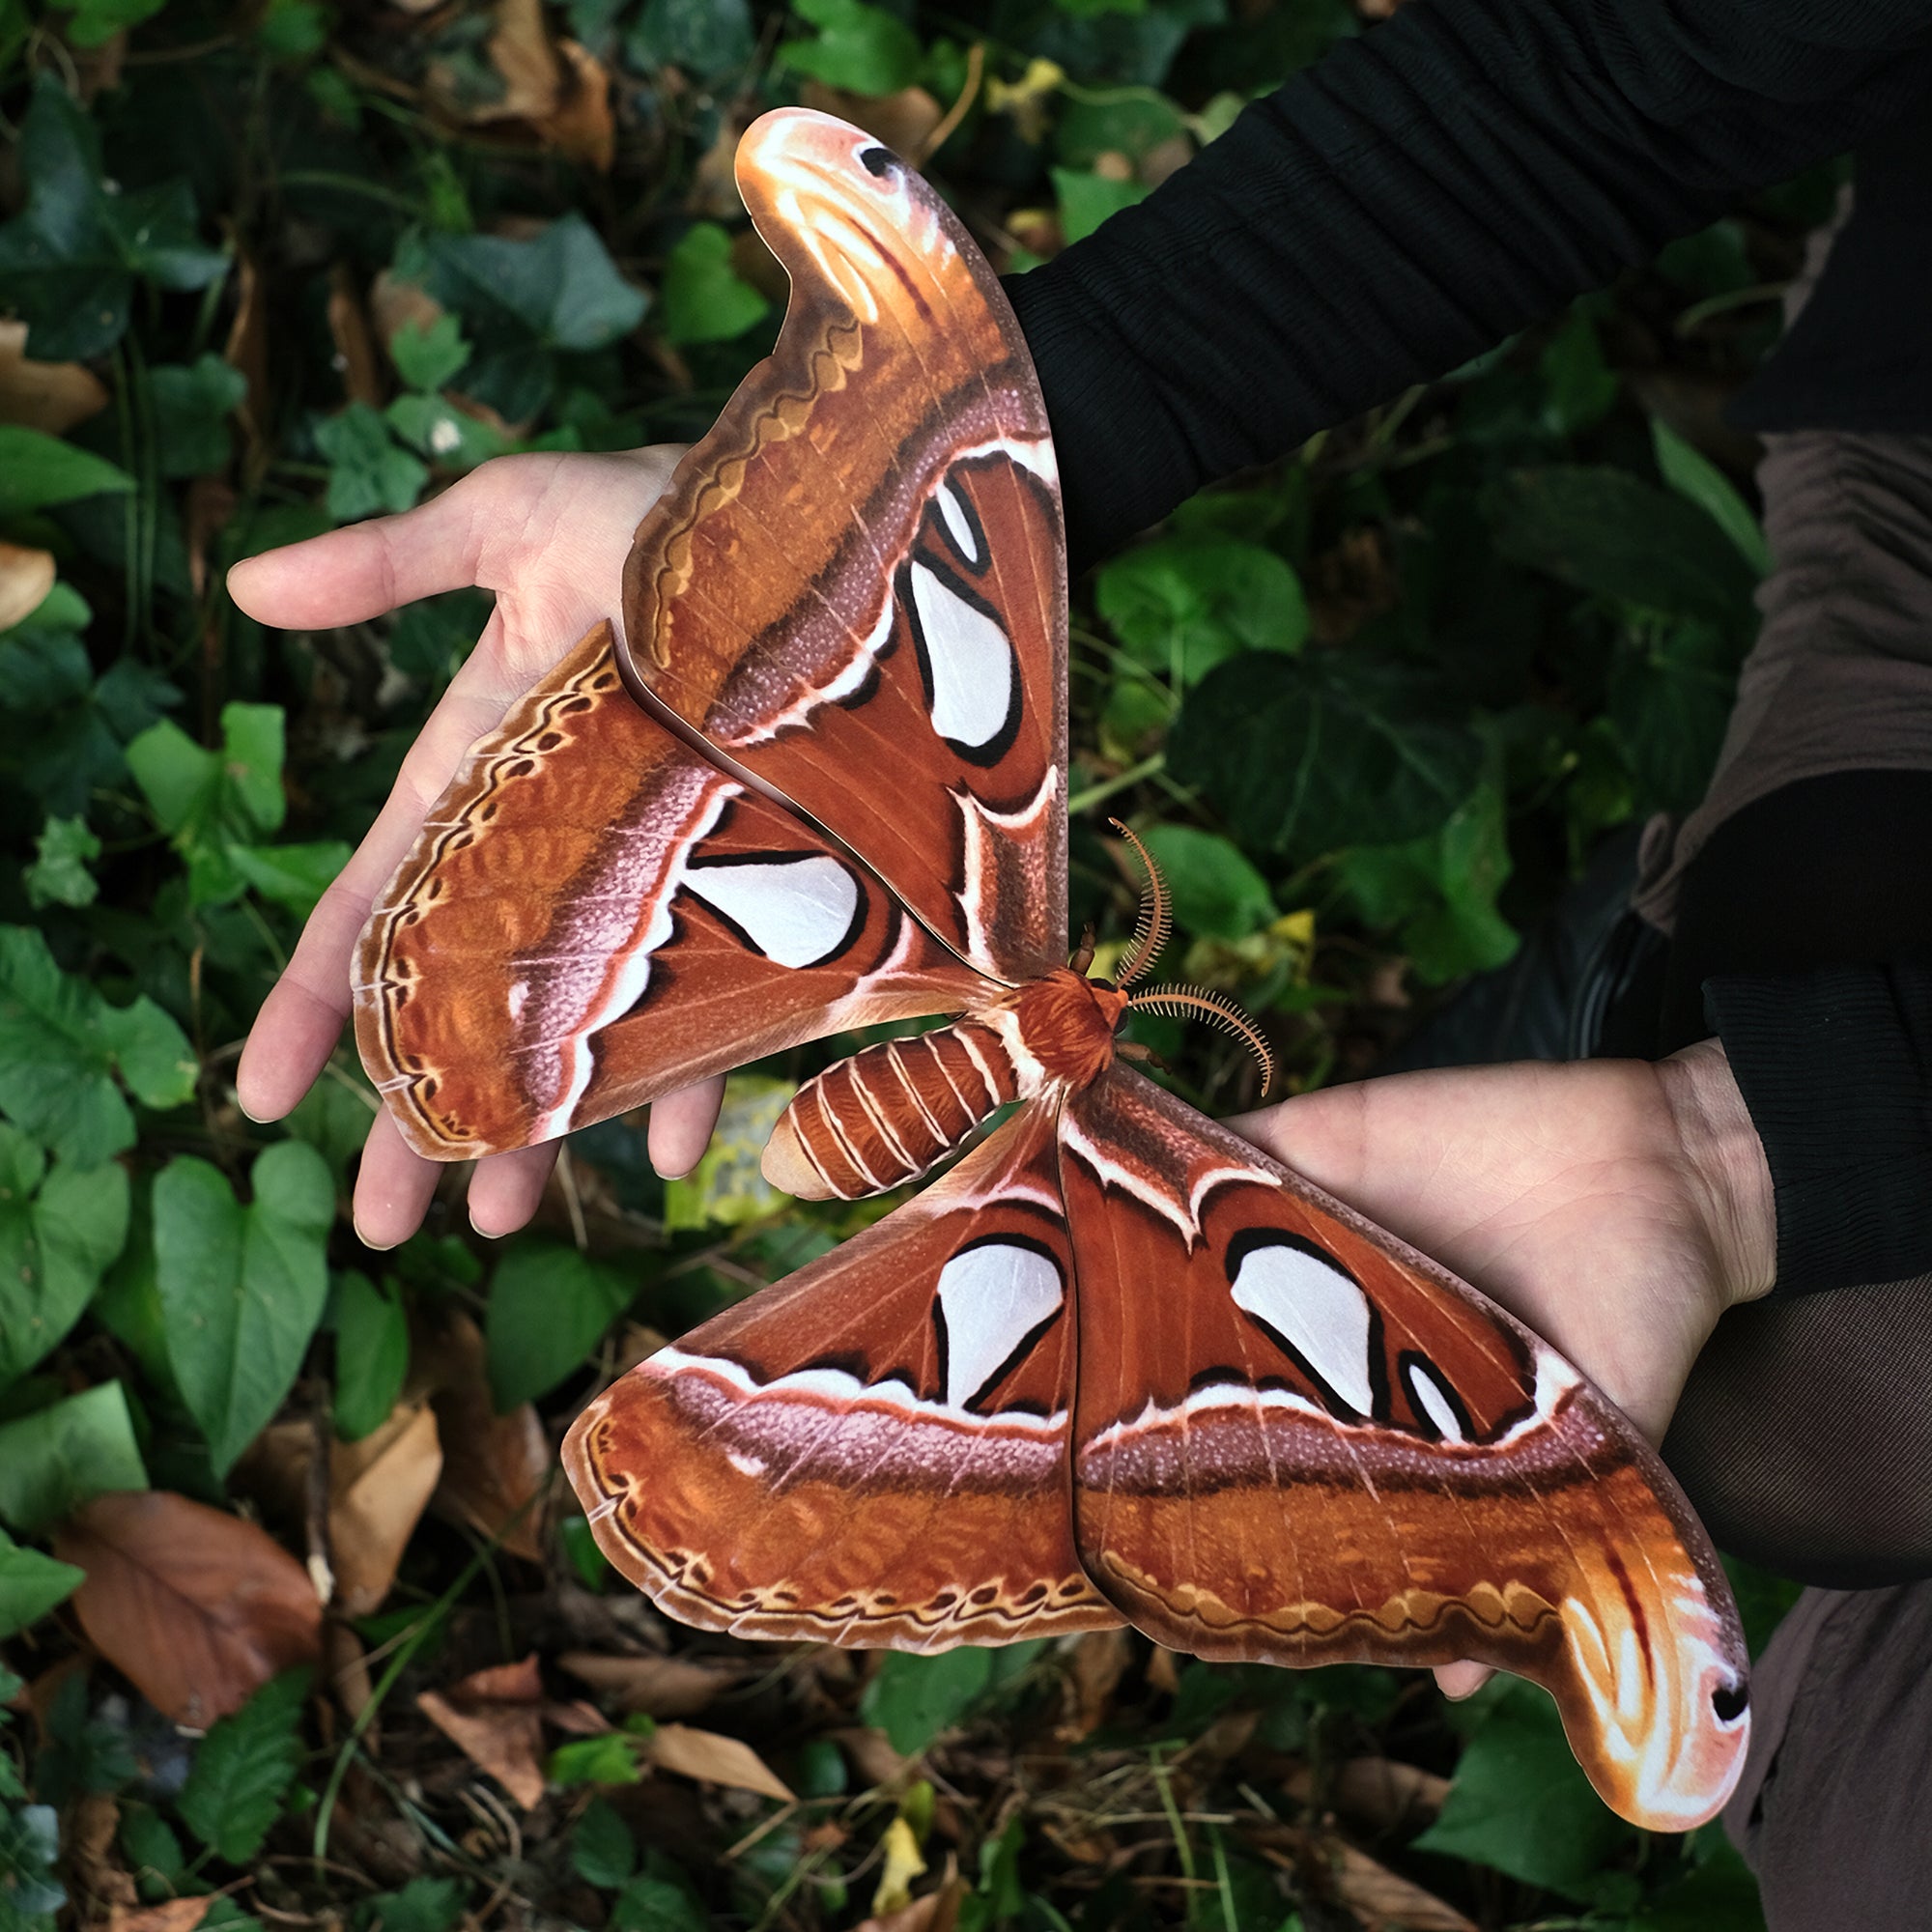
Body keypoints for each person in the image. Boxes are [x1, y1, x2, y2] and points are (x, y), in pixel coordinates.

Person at [229, 0, 1932, 1917]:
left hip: (943, 968)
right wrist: (860, 496)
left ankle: (1625, 1001)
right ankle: (1654, 986)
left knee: (1830, 1432)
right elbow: (1619, 65)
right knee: (1805, 1401)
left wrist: (1733, 1154)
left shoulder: (1007, 894)